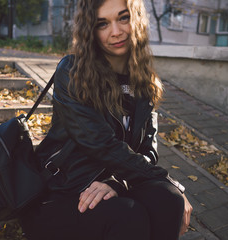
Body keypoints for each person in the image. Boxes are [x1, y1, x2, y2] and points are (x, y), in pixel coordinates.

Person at [21, 0, 193, 238]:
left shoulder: (144, 81)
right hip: (63, 192)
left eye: (123, 18)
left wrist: (116, 183)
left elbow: (148, 151)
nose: (116, 31)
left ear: (137, 20)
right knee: (129, 215)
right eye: (103, 23)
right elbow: (101, 145)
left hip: (110, 186)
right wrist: (170, 180)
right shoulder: (72, 73)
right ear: (90, 31)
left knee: (169, 200)